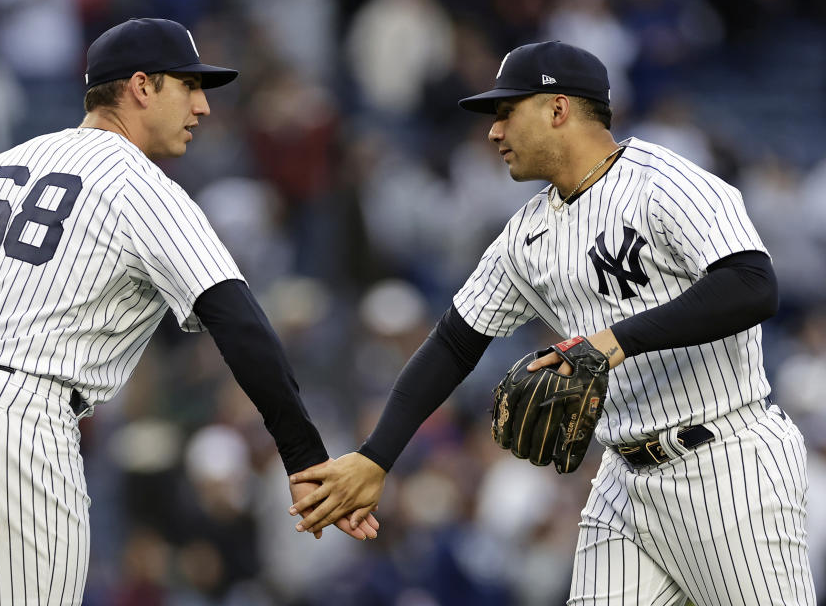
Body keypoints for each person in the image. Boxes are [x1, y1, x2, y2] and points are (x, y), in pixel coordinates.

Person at [289, 41, 815, 605]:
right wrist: (376, 456)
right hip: (623, 481)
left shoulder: (666, 183)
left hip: (726, 463)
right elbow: (454, 342)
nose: (493, 132)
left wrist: (612, 342)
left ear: (558, 109)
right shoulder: (528, 234)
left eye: (506, 112)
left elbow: (752, 285)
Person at [0, 17, 376, 606]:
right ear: (141, 86)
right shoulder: (137, 182)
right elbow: (239, 321)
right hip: (16, 420)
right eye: (189, 86)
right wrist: (304, 457)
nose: (203, 107)